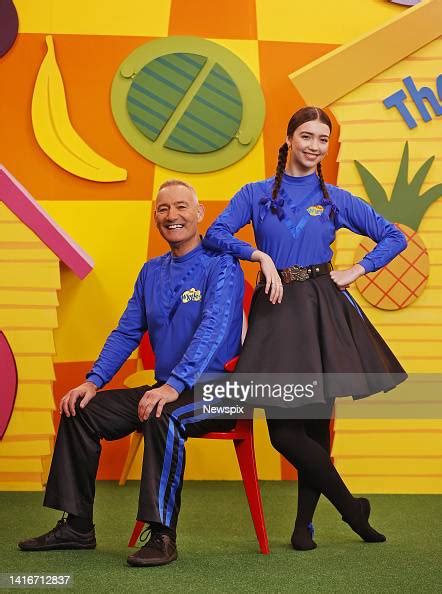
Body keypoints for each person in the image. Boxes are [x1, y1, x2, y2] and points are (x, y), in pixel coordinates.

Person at [204, 106, 408, 551]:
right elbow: (214, 234)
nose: (315, 147)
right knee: (285, 432)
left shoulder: (334, 198)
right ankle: (352, 509)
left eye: (322, 140)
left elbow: (395, 237)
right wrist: (260, 257)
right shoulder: (255, 193)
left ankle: (302, 529)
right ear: (290, 138)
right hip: (276, 310)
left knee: (315, 430)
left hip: (322, 310)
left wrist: (358, 269)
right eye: (307, 137)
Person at [18, 179, 244, 567]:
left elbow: (215, 326)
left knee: (161, 412)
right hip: (169, 388)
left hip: (220, 389)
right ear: (155, 217)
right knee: (80, 410)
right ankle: (77, 526)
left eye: (181, 207)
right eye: (163, 209)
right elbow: (126, 331)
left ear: (199, 213)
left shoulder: (222, 264)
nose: (172, 216)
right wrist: (92, 381)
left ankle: (161, 536)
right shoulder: (151, 272)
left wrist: (173, 385)